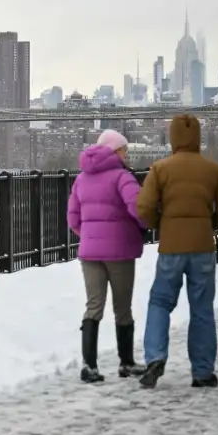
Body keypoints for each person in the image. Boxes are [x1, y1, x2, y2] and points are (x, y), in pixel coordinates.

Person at [136, 114, 218, 389]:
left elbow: (144, 207)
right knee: (202, 308)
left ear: (172, 137)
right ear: (197, 138)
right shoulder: (213, 170)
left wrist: (162, 225)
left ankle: (155, 357)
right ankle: (203, 372)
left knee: (160, 302)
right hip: (203, 247)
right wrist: (209, 224)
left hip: (171, 247)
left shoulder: (160, 169)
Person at [67, 129, 148, 383]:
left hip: (90, 253)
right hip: (119, 251)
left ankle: (89, 365)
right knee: (122, 308)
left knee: (94, 305)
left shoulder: (81, 179)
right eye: (124, 150)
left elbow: (73, 218)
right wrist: (145, 226)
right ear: (115, 151)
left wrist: (90, 236)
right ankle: (126, 363)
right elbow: (139, 208)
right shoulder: (122, 176)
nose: (126, 154)